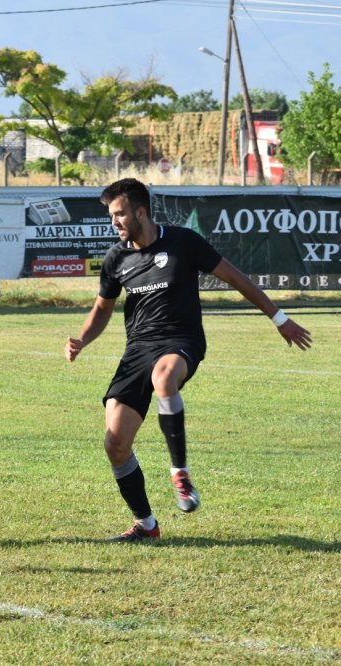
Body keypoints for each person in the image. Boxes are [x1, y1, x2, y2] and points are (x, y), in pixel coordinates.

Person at [65, 178, 312, 542]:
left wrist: (279, 318)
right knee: (115, 444)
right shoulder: (117, 257)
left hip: (181, 340)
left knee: (165, 379)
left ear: (140, 212)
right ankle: (146, 525)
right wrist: (82, 340)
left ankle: (179, 472)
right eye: (111, 216)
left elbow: (237, 278)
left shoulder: (183, 241)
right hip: (137, 350)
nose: (114, 222)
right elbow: (102, 309)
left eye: (119, 214)